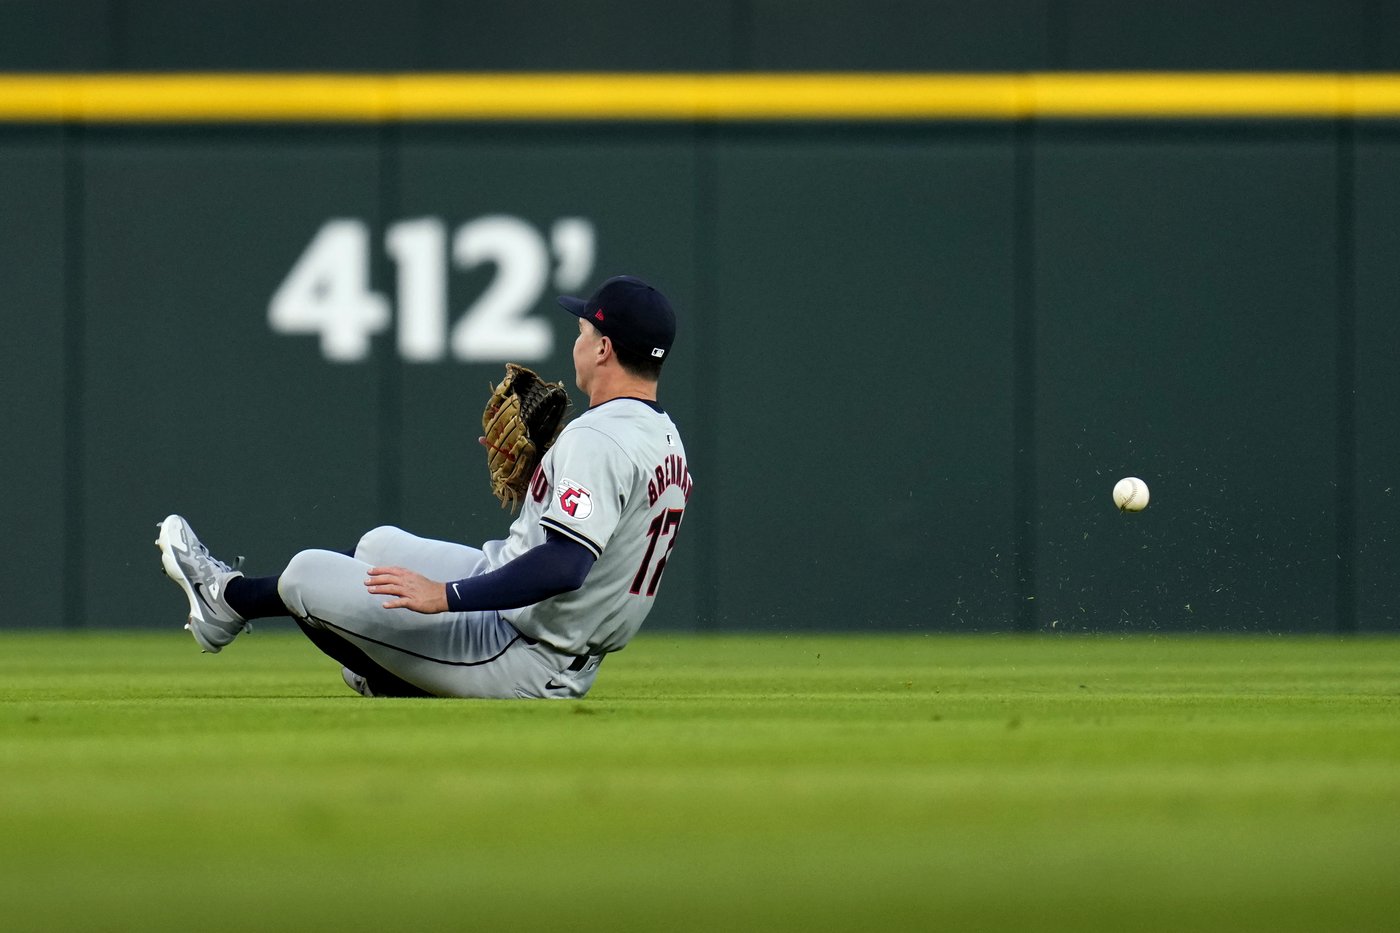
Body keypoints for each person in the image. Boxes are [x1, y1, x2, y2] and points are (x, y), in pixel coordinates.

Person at [156, 275, 692, 699]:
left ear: (603, 350)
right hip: (546, 628)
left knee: (306, 576)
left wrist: (445, 597)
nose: (577, 337)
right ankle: (226, 606)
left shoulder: (598, 436)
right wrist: (541, 484)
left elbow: (565, 565)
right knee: (377, 546)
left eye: (583, 330)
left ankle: (394, 675)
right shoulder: (662, 436)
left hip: (522, 654)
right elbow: (605, 536)